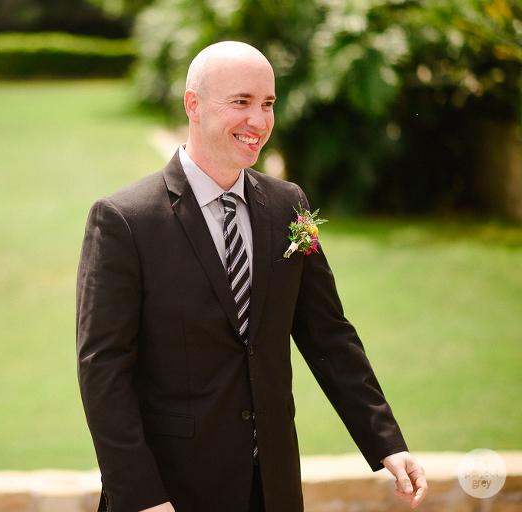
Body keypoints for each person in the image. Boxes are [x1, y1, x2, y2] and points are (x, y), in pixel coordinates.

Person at [75, 41, 428, 512]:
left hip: (275, 488)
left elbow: (328, 334)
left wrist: (385, 439)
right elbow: (103, 370)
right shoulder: (124, 220)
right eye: (241, 102)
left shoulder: (288, 206)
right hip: (172, 493)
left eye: (268, 104)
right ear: (193, 106)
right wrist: (140, 498)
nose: (259, 121)